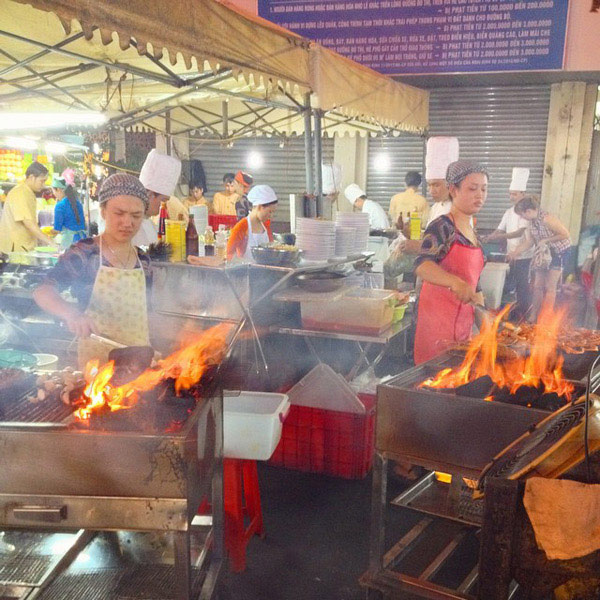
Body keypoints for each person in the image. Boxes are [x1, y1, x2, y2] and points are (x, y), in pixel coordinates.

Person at [33, 174, 152, 368]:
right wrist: (72, 314)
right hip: (98, 370)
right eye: (119, 213)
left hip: (138, 369)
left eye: (136, 216)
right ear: (103, 211)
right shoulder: (84, 253)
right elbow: (43, 290)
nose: (128, 222)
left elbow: (149, 312)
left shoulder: (144, 261)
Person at [414, 160, 488, 365]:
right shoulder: (442, 226)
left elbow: (476, 283)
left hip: (463, 328)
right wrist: (455, 282)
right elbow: (422, 264)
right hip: (437, 329)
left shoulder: (473, 232)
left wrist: (486, 324)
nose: (480, 195)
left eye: (484, 189)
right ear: (453, 190)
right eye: (472, 188)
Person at [508, 195, 571, 320]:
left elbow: (565, 234)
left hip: (559, 252)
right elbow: (529, 242)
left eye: (522, 214)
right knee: (538, 285)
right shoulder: (531, 222)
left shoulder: (547, 219)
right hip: (543, 254)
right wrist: (515, 252)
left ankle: (545, 318)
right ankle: (533, 315)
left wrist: (546, 240)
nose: (522, 217)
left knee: (550, 286)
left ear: (529, 211)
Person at [484, 167, 532, 320]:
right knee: (508, 288)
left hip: (525, 256)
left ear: (523, 194)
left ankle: (524, 317)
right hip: (511, 255)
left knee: (523, 287)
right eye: (510, 194)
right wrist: (489, 237)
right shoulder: (508, 212)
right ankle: (510, 315)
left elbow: (520, 233)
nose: (512, 197)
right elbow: (499, 230)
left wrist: (500, 236)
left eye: (515, 194)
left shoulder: (527, 212)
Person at [0, 162, 56, 253]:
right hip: (16, 249)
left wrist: (40, 239)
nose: (43, 185)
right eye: (42, 181)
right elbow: (29, 223)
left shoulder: (28, 192)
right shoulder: (20, 193)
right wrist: (49, 241)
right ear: (31, 177)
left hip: (24, 247)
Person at [132, 149, 182, 246]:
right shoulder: (127, 227)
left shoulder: (151, 226)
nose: (161, 208)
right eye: (162, 201)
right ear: (150, 195)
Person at [227, 185, 277, 260]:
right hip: (245, 270)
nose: (271, 216)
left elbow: (272, 249)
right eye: (270, 212)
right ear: (260, 207)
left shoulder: (266, 226)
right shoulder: (242, 226)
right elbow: (228, 253)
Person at [425, 137, 460, 226]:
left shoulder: (458, 211)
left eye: (436, 185)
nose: (431, 191)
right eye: (429, 185)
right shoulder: (436, 207)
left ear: (450, 185)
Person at [52, 175, 86, 250]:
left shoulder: (60, 206)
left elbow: (57, 230)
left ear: (58, 189)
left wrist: (47, 233)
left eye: (53, 190)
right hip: (82, 240)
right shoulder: (77, 203)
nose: (53, 193)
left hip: (70, 243)